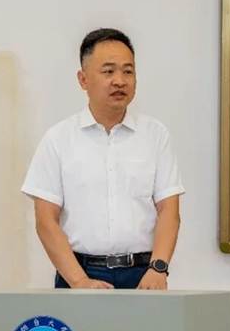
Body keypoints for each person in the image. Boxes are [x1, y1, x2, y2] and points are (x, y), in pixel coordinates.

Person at [21, 28, 184, 290]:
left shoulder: (155, 135)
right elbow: (45, 220)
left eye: (128, 71)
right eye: (108, 71)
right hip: (79, 272)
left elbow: (169, 210)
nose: (119, 81)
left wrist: (158, 268)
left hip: (142, 275)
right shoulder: (58, 139)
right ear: (83, 79)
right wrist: (79, 281)